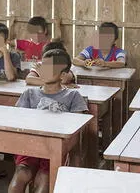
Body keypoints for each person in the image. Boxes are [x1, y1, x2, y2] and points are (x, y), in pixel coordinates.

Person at [8, 49, 88, 193]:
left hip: (56, 149)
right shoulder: (29, 93)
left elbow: (77, 130)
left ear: (63, 75)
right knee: (20, 175)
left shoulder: (73, 96)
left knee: (44, 179)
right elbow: (18, 121)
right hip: (30, 147)